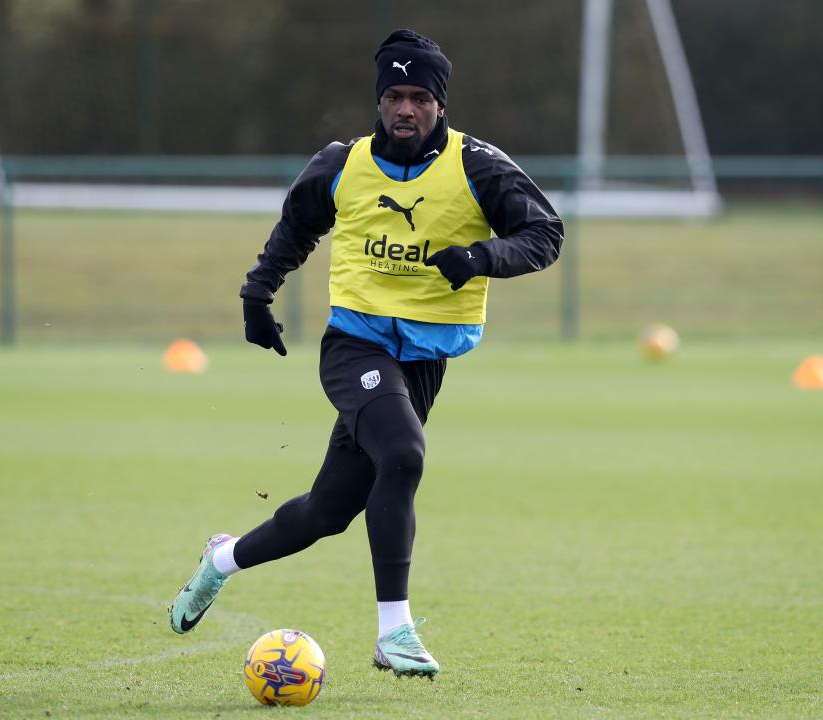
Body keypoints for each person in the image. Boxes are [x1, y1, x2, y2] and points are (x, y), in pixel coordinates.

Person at [169, 29, 563, 679]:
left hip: (424, 361)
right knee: (403, 456)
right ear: (378, 101)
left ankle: (222, 559)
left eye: (418, 98)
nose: (404, 109)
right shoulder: (342, 164)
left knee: (328, 512)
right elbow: (295, 228)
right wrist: (256, 296)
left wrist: (480, 256)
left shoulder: (479, 167)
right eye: (393, 96)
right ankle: (394, 631)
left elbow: (544, 233)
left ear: (440, 104)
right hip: (356, 346)